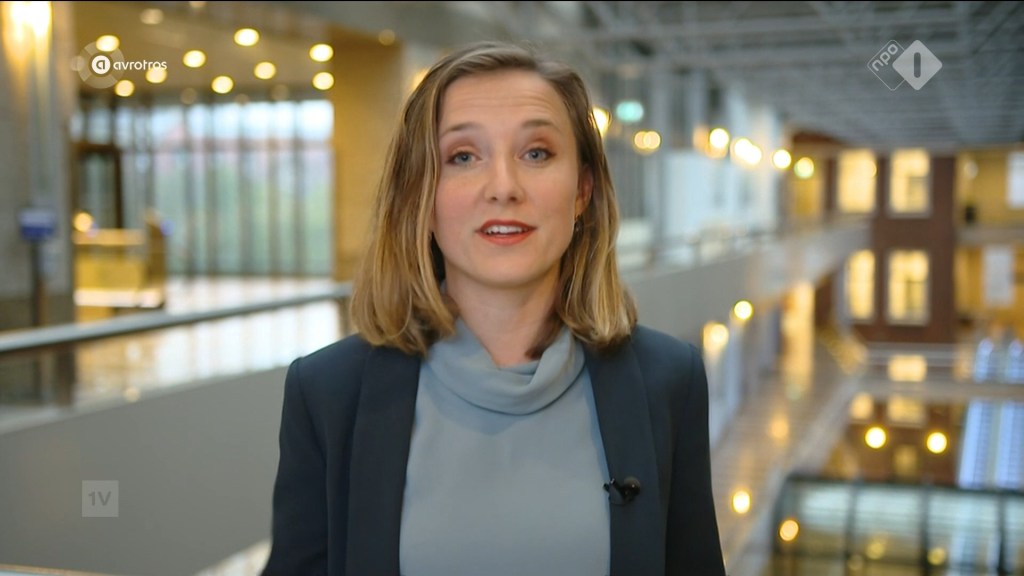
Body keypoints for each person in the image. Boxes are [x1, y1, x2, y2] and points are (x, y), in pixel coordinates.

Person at [261, 40, 726, 576]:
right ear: (420, 197)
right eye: (463, 157)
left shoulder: (667, 381)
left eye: (536, 153)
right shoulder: (328, 392)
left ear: (583, 190)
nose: (503, 188)